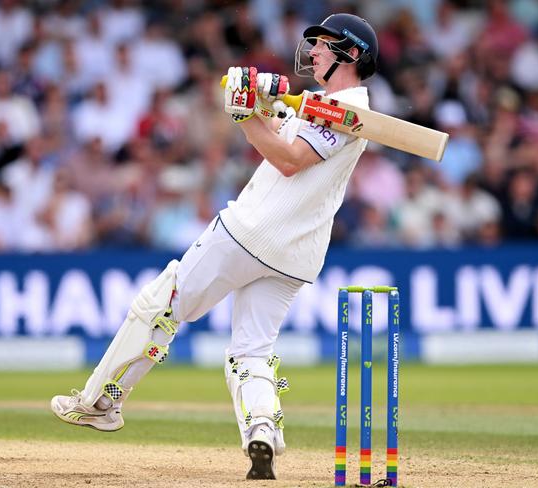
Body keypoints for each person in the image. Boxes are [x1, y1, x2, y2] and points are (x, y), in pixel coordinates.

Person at [50, 12, 378, 481]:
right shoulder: (330, 106)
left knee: (163, 304)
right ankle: (261, 429)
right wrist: (264, 107)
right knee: (251, 350)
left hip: (252, 231)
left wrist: (244, 117)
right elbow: (286, 138)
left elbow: (288, 161)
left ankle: (100, 402)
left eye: (325, 45)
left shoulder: (349, 111)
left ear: (350, 54)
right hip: (297, 254)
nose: (315, 52)